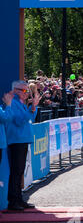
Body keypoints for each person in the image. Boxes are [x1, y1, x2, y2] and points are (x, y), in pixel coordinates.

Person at [5, 80, 40, 211]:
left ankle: (19, 199)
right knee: (16, 171)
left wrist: (33, 108)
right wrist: (31, 108)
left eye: (27, 91)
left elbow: (30, 117)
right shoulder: (14, 103)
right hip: (16, 140)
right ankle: (13, 201)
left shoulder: (21, 103)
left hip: (22, 139)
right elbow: (19, 121)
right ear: (16, 90)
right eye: (25, 91)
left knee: (19, 172)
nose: (27, 94)